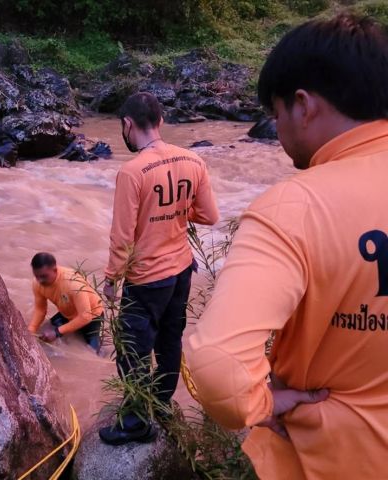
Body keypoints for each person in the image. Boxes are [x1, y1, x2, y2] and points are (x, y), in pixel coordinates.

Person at [185, 13, 388, 479]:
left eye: (275, 115)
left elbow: (219, 368)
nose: (277, 132)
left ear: (302, 105)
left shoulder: (295, 207)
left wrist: (260, 401)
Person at [100, 92, 220, 445]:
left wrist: (111, 279)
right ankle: (163, 404)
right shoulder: (193, 160)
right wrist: (177, 213)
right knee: (170, 340)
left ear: (127, 125)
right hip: (182, 269)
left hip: (146, 278)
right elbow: (210, 215)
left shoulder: (132, 172)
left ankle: (136, 419)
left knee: (133, 349)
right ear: (161, 122)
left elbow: (122, 236)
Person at [29, 252, 104, 352]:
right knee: (42, 335)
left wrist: (57, 333)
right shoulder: (37, 283)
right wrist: (31, 330)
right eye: (36, 276)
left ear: (55, 270)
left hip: (93, 316)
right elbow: (40, 310)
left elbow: (86, 316)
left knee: (93, 353)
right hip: (68, 313)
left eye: (44, 276)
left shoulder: (72, 283)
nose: (39, 280)